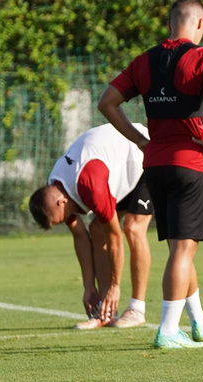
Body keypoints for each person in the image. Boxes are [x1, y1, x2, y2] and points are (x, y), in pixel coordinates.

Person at [98, 0, 203, 350]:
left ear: (170, 23)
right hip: (191, 164)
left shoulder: (145, 60)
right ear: (200, 24)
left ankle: (200, 320)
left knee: (180, 248)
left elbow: (107, 102)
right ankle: (168, 329)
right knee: (183, 251)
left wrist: (139, 140)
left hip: (154, 165)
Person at [29, 122, 155, 329]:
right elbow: (80, 236)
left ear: (62, 203)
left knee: (132, 228)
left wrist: (115, 285)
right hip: (118, 169)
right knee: (96, 230)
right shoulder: (55, 189)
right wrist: (89, 287)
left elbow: (114, 237)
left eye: (58, 220)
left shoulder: (90, 184)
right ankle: (106, 312)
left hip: (144, 156)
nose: (63, 223)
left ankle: (137, 308)